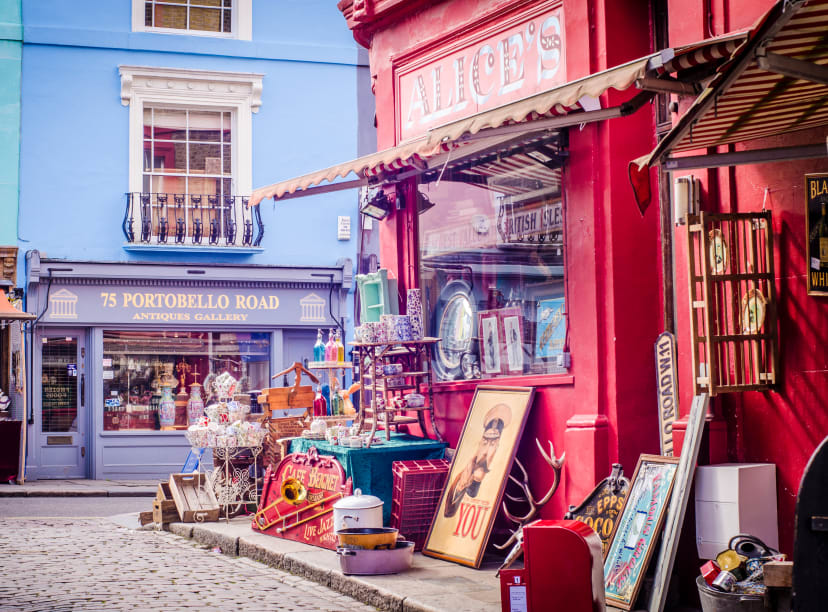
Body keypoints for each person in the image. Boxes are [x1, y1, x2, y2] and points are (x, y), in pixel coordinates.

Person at [443, 402, 512, 517]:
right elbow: (449, 511)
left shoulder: (497, 477)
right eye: (485, 442)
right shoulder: (463, 472)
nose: (485, 452)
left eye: (493, 444)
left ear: (498, 447)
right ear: (479, 444)